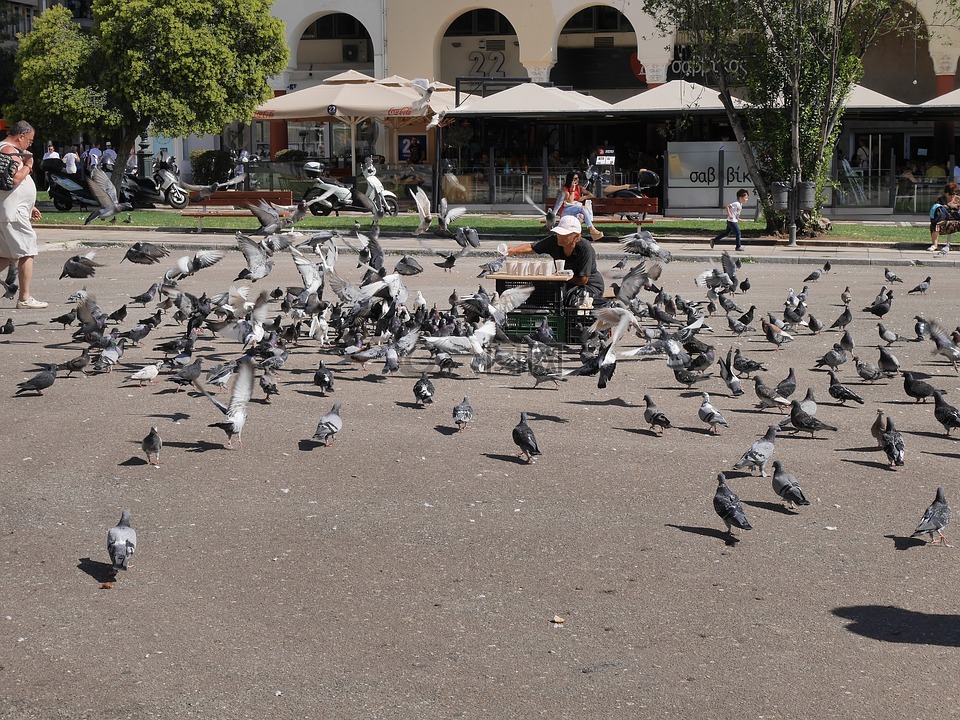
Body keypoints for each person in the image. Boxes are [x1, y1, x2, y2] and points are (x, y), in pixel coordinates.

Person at [505, 215, 604, 306]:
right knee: (537, 291)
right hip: (565, 283)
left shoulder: (585, 248)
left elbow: (583, 280)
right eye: (559, 233)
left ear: (576, 237)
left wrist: (559, 278)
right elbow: (532, 247)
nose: (560, 236)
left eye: (564, 234)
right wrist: (513, 250)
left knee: (566, 297)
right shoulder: (554, 241)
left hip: (590, 286)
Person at [0, 120, 46, 309]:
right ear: (21, 136)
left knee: (7, 255)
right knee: (27, 249)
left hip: (11, 210)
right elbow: (12, 180)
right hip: (12, 213)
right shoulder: (10, 151)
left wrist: (30, 205)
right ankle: (25, 298)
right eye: (29, 140)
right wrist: (29, 164)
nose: (29, 144)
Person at [560, 170, 603, 241]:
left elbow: (591, 195)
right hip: (565, 210)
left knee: (581, 216)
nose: (577, 180)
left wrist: (583, 197)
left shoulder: (579, 188)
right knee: (582, 209)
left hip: (574, 209)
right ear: (570, 179)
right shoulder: (565, 189)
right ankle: (592, 229)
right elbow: (570, 201)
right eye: (575, 178)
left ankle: (576, 236)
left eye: (578, 178)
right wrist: (573, 190)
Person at [927, 181, 960, 252]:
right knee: (935, 225)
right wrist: (948, 206)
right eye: (950, 194)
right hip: (944, 222)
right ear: (946, 193)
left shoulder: (958, 199)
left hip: (956, 221)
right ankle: (935, 245)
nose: (952, 196)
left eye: (954, 194)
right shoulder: (940, 199)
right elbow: (936, 211)